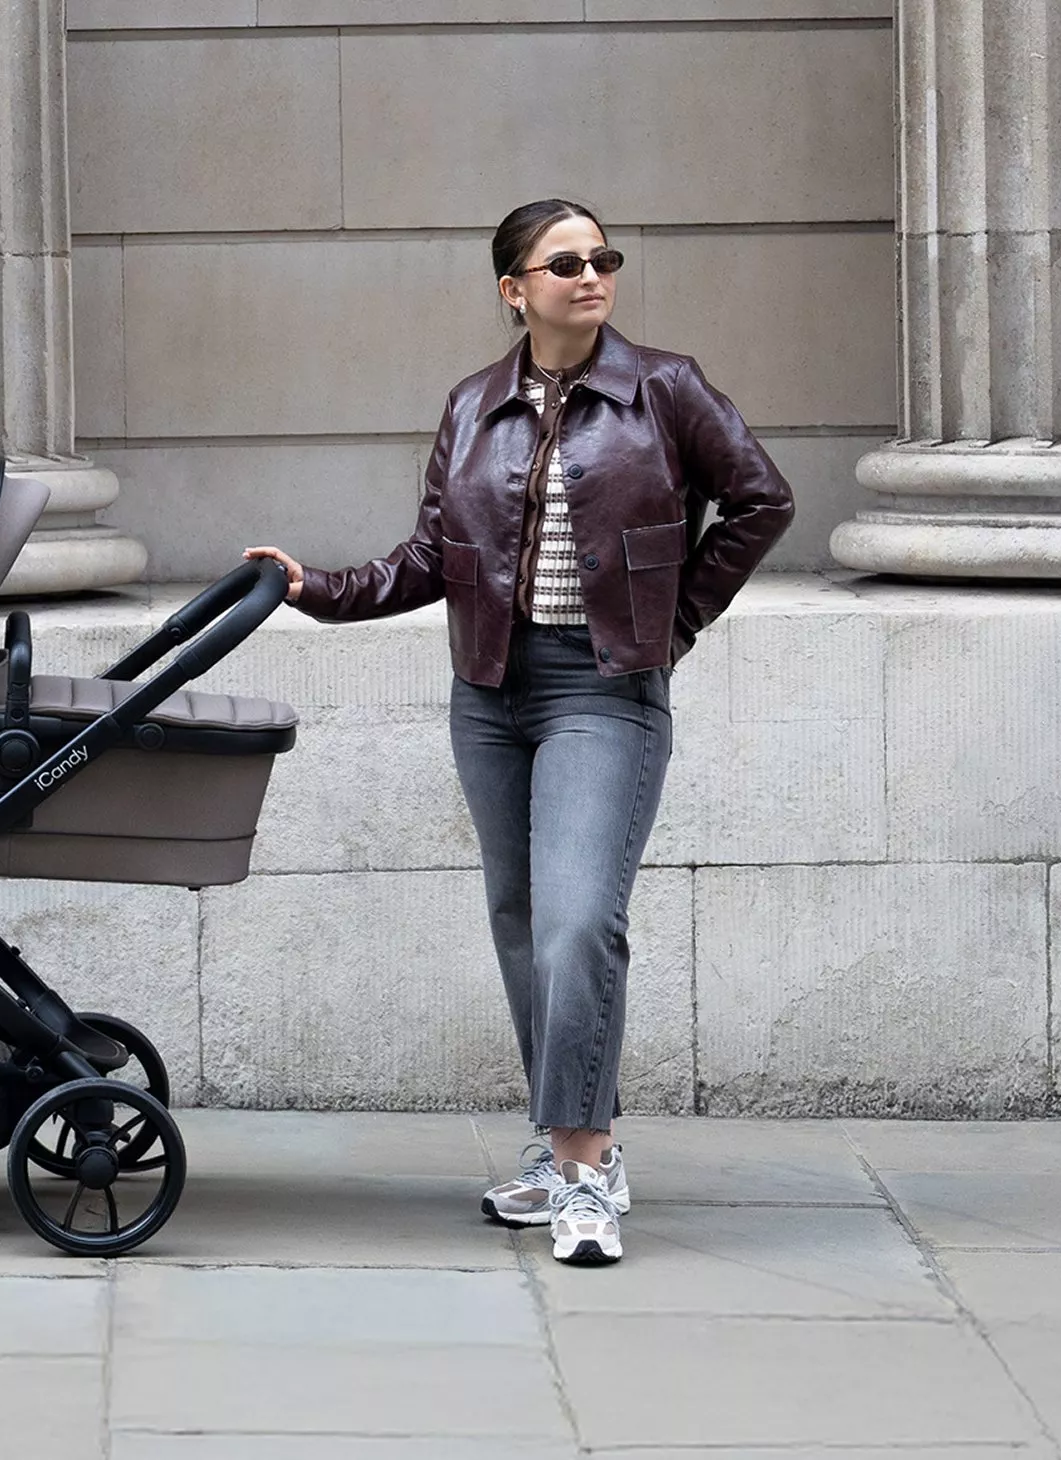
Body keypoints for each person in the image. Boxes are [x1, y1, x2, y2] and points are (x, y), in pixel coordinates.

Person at [244, 200, 792, 1265]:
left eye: (604, 259)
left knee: (579, 918)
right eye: (566, 262)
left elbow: (760, 499)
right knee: (523, 919)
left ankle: (587, 1171)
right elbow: (428, 559)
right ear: (513, 288)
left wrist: (672, 616)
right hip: (490, 692)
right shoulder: (473, 406)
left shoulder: (664, 388)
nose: (592, 276)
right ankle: (564, 1149)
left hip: (603, 689)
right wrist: (312, 587)